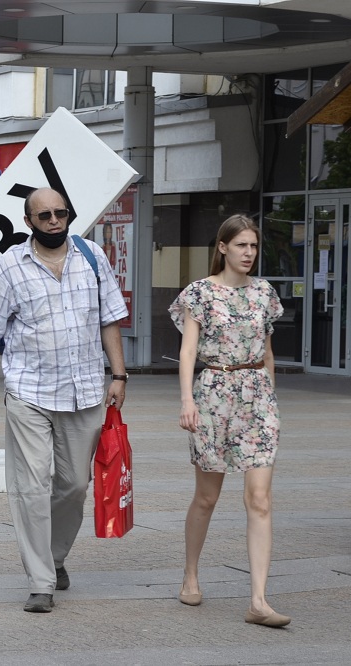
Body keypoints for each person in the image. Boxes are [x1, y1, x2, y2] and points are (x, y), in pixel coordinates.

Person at [0, 187, 128, 614]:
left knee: (74, 485)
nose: (54, 221)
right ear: (29, 222)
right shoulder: (9, 267)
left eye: (60, 213)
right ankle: (41, 581)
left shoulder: (92, 257)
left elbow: (110, 319)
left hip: (87, 391)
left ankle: (54, 558)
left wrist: (119, 374)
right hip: (29, 393)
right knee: (31, 487)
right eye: (44, 216)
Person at [169, 214, 289, 628]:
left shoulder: (265, 294)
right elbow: (188, 352)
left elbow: (268, 351)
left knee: (260, 499)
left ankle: (258, 600)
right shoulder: (199, 294)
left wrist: (269, 400)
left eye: (254, 246)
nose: (249, 253)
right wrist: (187, 400)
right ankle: (190, 575)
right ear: (222, 247)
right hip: (213, 395)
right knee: (207, 497)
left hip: (257, 397)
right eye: (241, 245)